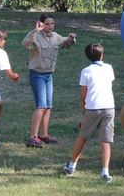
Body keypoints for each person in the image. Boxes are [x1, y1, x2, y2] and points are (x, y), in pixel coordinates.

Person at [63, 43, 115, 183]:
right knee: (105, 141)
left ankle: (72, 165)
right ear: (102, 55)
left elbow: (83, 93)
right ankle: (105, 172)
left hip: (92, 107)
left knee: (83, 136)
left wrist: (84, 107)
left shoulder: (86, 71)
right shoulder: (109, 68)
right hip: (109, 107)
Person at [23, 13, 77, 148]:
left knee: (48, 107)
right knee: (41, 106)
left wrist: (71, 38)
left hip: (49, 76)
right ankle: (33, 137)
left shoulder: (55, 37)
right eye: (47, 24)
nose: (50, 26)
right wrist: (35, 30)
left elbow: (65, 43)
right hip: (37, 75)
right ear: (41, 24)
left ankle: (44, 135)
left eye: (52, 23)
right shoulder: (36, 36)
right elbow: (26, 44)